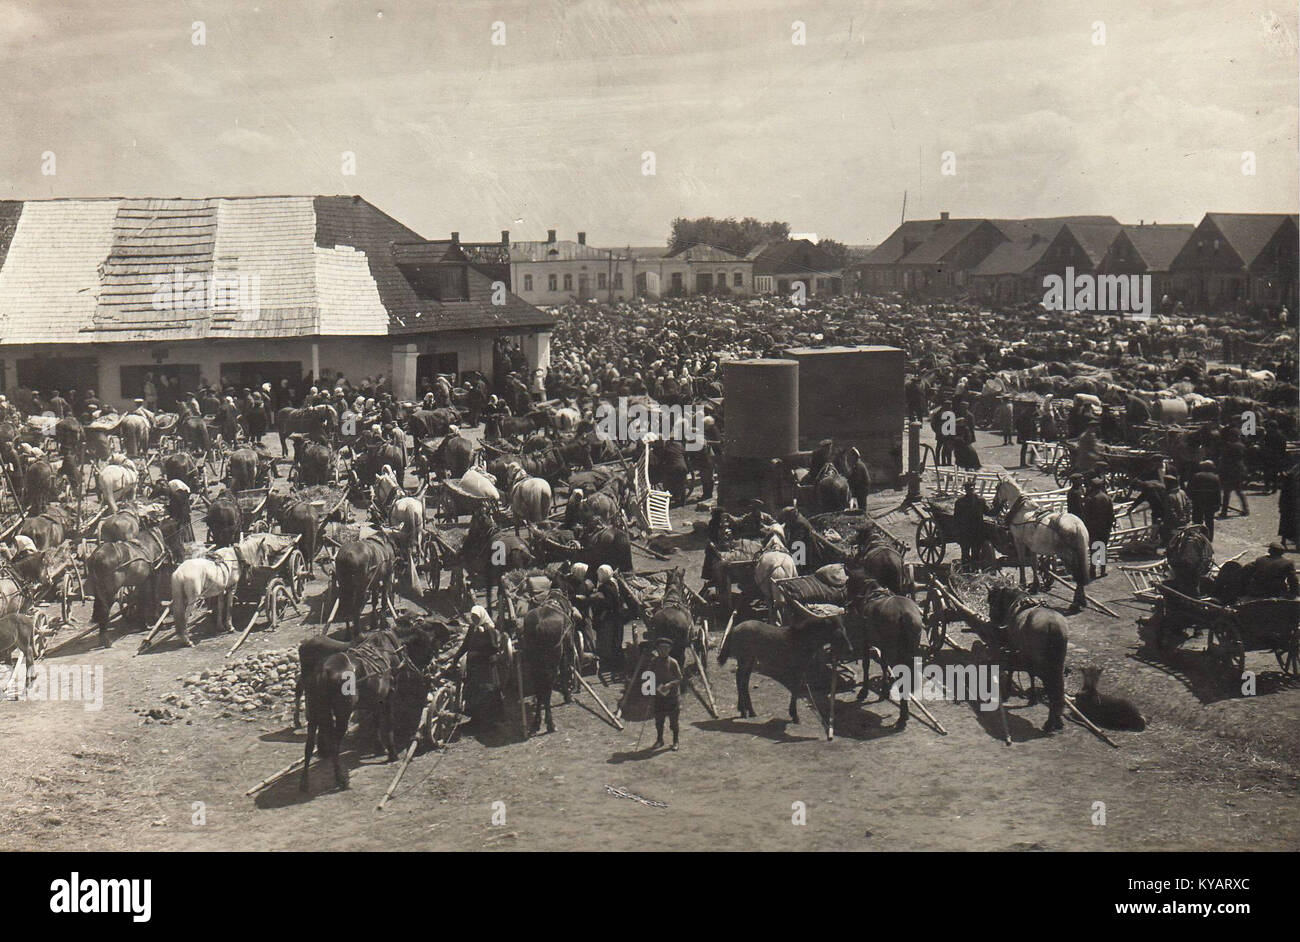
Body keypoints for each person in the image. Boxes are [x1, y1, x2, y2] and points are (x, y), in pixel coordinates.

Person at [647, 636, 682, 751]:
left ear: (670, 649)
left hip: (672, 697)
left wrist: (670, 685)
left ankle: (675, 741)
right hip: (659, 697)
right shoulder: (654, 662)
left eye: (666, 648)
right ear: (657, 649)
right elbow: (649, 677)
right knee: (659, 720)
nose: (663, 651)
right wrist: (651, 692)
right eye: (661, 648)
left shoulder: (673, 662)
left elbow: (679, 678)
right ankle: (659, 740)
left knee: (674, 721)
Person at [1082, 477, 1114, 578]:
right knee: (1103, 548)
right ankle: (1103, 570)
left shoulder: (1090, 499)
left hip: (1093, 528)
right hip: (1104, 528)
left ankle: (1093, 570)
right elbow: (1111, 514)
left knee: (1094, 549)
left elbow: (1086, 515)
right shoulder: (1107, 498)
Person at [953, 480, 988, 569]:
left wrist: (999, 506)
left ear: (974, 489)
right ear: (965, 490)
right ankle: (965, 573)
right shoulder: (960, 502)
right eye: (968, 489)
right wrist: (957, 534)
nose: (970, 491)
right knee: (965, 554)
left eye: (971, 489)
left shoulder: (981, 500)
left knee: (976, 554)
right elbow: (956, 519)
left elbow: (989, 512)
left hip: (977, 532)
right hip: (965, 533)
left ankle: (974, 573)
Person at [1189, 460, 1221, 542]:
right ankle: (1209, 538)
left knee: (1197, 520)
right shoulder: (1215, 477)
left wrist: (1191, 498)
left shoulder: (1196, 476)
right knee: (1209, 521)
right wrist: (1217, 504)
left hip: (1198, 501)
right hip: (1210, 502)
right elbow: (1217, 492)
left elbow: (1190, 489)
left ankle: (1196, 537)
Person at [845, 446, 870, 513]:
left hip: (862, 488)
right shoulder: (857, 464)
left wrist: (850, 484)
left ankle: (864, 516)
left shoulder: (858, 465)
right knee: (861, 504)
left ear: (855, 456)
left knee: (862, 505)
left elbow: (857, 479)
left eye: (852, 456)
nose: (851, 458)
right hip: (861, 488)